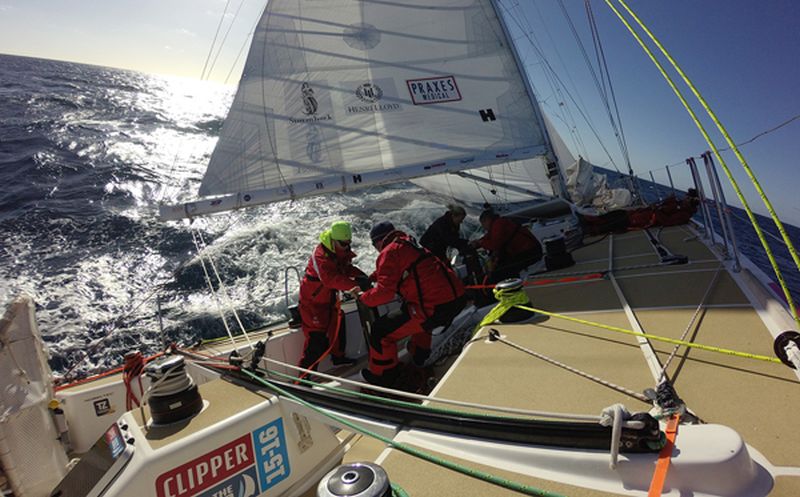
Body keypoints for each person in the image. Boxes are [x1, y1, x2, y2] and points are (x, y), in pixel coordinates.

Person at [356, 221, 467, 387]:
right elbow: (396, 268)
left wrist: (362, 297)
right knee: (413, 316)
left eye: (374, 245)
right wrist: (372, 278)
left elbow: (384, 294)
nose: (375, 248)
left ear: (379, 241)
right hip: (456, 299)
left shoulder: (389, 252)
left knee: (381, 331)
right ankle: (419, 357)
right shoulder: (408, 243)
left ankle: (384, 377)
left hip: (434, 307)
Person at [298, 221, 368, 371]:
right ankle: (303, 378)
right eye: (344, 244)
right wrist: (353, 285)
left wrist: (362, 277)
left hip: (329, 299)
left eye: (348, 243)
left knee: (338, 324)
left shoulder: (339, 250)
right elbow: (330, 279)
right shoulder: (320, 256)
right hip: (313, 302)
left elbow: (346, 268)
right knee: (316, 339)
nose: (347, 247)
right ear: (334, 241)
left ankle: (338, 358)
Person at [470, 209, 542, 284]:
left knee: (503, 271)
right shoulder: (499, 223)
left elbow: (495, 244)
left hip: (529, 252)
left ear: (487, 220)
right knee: (503, 267)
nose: (484, 227)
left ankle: (511, 287)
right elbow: (489, 238)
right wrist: (478, 243)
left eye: (483, 224)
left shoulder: (498, 224)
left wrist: (480, 243)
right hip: (528, 251)